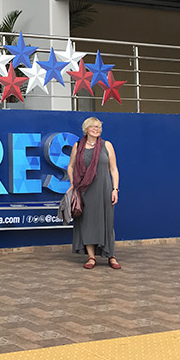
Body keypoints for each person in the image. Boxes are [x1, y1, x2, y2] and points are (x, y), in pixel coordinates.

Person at [67, 116, 121, 270]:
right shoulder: (78, 146)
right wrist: (72, 183)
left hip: (104, 188)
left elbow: (113, 169)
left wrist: (115, 189)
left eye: (98, 127)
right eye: (93, 127)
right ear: (86, 129)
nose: (96, 129)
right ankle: (91, 257)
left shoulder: (107, 145)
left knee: (107, 222)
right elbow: (70, 167)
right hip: (85, 190)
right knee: (87, 223)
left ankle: (111, 255)